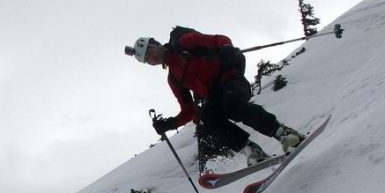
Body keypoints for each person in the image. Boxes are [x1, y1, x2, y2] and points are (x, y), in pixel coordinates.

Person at [125, 27, 304, 166]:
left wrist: (226, 47)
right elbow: (189, 110)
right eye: (146, 60)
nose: (151, 59)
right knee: (209, 117)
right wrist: (170, 123)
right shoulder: (174, 78)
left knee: (233, 106)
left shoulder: (185, 43)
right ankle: (251, 150)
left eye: (149, 53)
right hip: (214, 95)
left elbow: (218, 39)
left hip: (230, 78)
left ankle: (284, 133)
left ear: (155, 44)